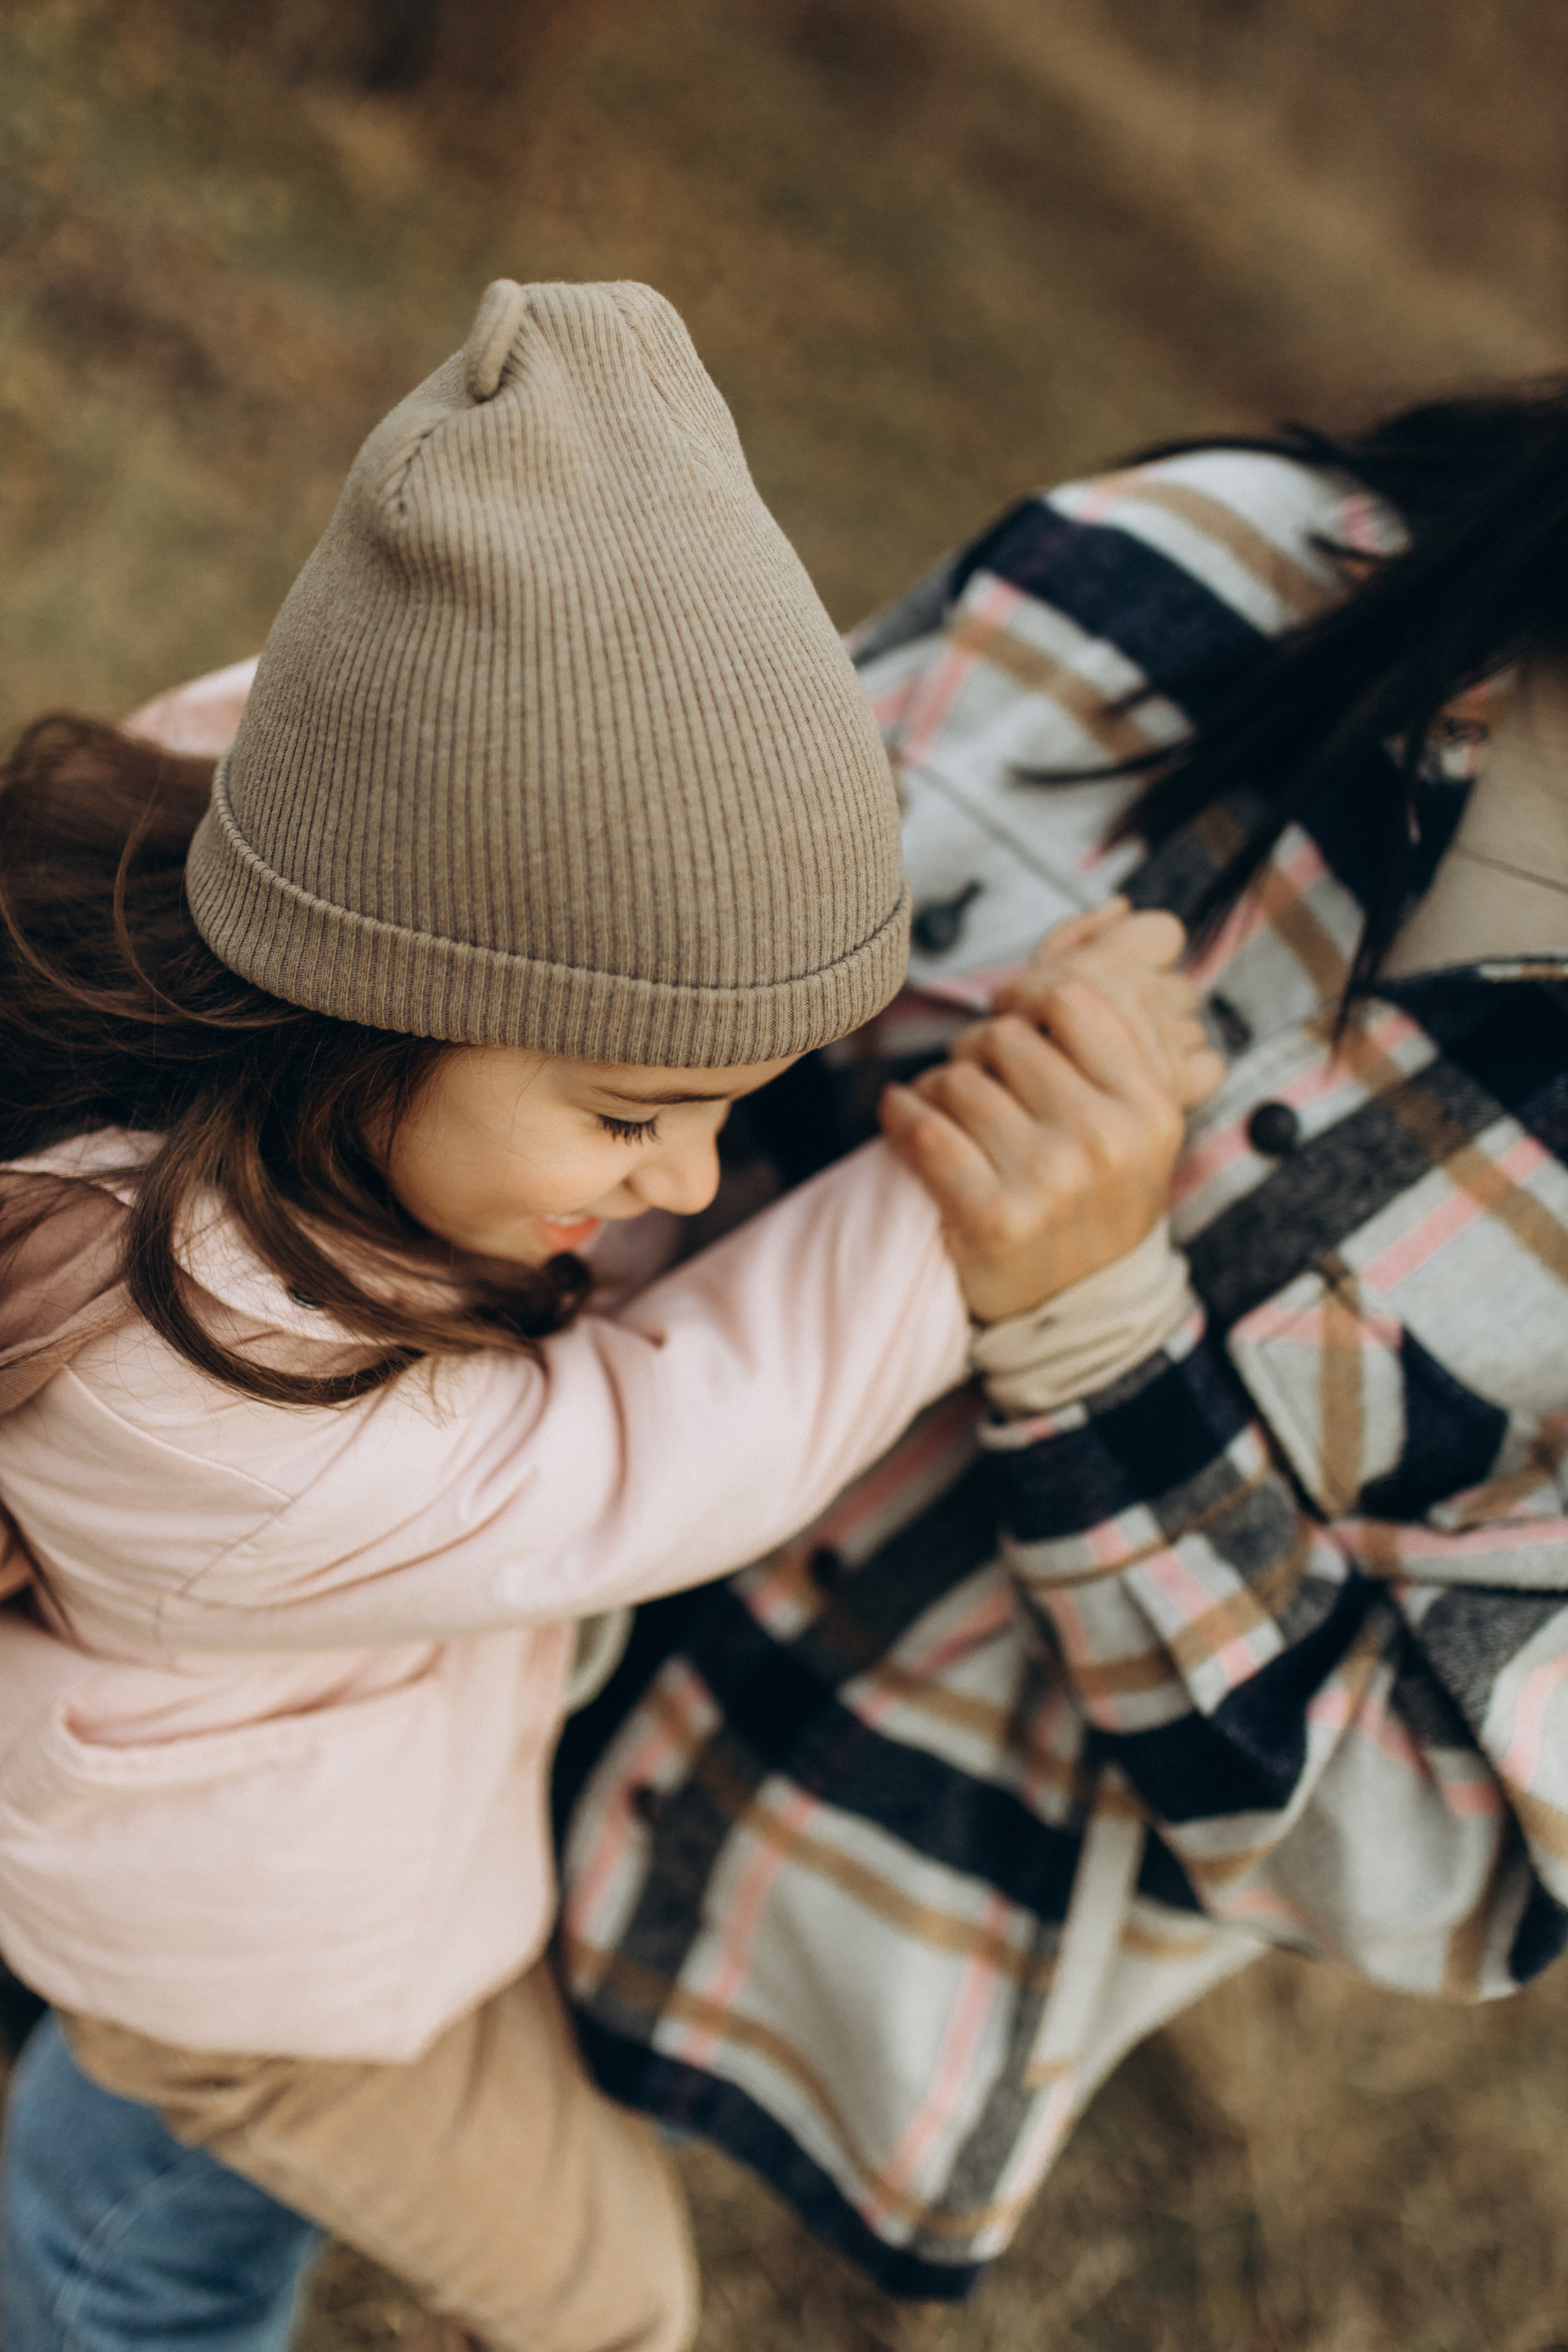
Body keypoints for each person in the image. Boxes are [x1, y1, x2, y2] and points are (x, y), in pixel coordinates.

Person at [0, 279, 1208, 2352]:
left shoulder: (282, 851)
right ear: (364, 994)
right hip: (264, 1985)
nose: (689, 1180)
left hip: (274, 1833)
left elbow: (380, 725)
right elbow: (645, 1456)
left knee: (188, 2220)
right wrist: (978, 1209)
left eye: (722, 1112)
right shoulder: (184, 1386)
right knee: (592, 2300)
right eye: (635, 1113)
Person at [554, 385, 1568, 2303]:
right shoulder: (1181, 575)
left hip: (786, 1878)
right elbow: (544, 932)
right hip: (331, 1628)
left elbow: (1438, 1863)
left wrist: (1095, 1332)